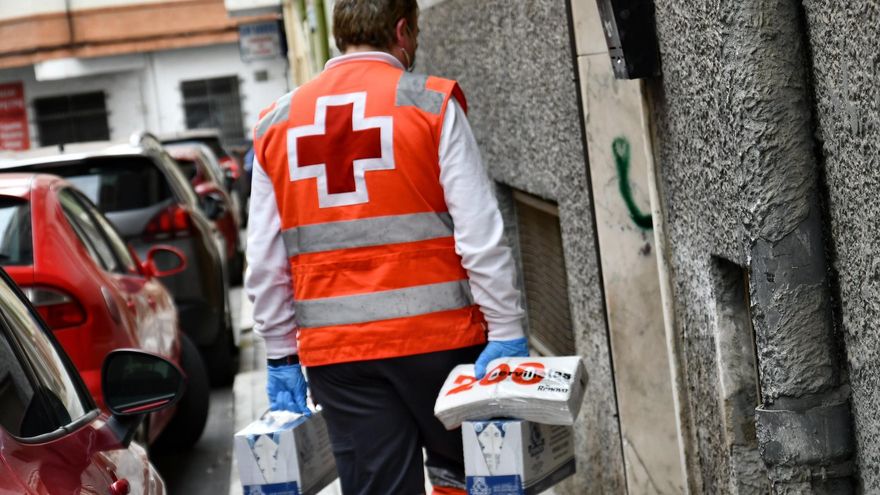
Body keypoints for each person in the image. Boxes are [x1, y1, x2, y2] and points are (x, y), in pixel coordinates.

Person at [245, 1, 527, 493]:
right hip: (442, 347)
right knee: (470, 477)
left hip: (339, 358)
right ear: (402, 30)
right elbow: (479, 233)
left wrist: (279, 353)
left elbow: (265, 261)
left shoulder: (277, 124)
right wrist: (505, 327)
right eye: (414, 33)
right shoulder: (431, 105)